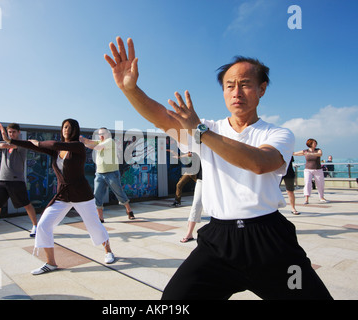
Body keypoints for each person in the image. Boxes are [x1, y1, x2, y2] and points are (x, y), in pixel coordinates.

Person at [104, 37, 332, 299]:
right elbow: (162, 117)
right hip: (218, 239)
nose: (236, 92)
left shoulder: (278, 134)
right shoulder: (208, 128)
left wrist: (200, 132)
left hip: (270, 240)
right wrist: (130, 89)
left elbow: (258, 163)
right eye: (229, 86)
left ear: (262, 89)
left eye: (245, 85)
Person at [0, 120, 115, 275]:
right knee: (43, 225)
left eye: (70, 127)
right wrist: (10, 141)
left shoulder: (77, 146)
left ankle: (108, 251)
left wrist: (39, 142)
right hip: (63, 195)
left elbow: (52, 144)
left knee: (94, 225)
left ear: (75, 130)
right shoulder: (56, 150)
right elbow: (34, 146)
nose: (67, 129)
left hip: (81, 195)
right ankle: (51, 263)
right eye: (65, 127)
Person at [80, 127, 135, 222]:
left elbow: (97, 147)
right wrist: (80, 138)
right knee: (97, 195)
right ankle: (100, 217)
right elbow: (89, 141)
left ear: (108, 134)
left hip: (112, 173)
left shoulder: (109, 141)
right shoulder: (100, 141)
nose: (101, 135)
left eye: (103, 133)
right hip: (99, 173)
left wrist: (84, 144)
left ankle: (129, 210)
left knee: (119, 193)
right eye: (99, 133)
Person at [293, 139, 328, 204]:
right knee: (307, 183)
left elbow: (320, 154)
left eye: (315, 143)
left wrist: (310, 153)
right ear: (310, 144)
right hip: (308, 170)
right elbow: (295, 153)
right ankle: (306, 199)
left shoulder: (318, 150)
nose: (315, 144)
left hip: (318, 169)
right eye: (314, 143)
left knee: (320, 184)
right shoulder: (305, 151)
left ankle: (321, 197)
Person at [180, 153, 203, 243]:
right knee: (196, 204)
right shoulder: (200, 147)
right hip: (202, 179)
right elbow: (191, 153)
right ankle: (189, 234)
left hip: (216, 179)